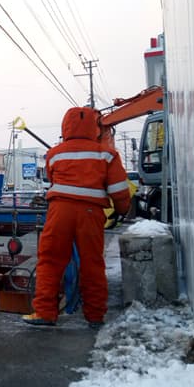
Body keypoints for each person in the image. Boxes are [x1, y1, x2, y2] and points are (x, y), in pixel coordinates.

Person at [22, 107, 131, 329]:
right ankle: (95, 316)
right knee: (92, 263)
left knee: (50, 261)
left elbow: (53, 178)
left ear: (66, 127)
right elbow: (119, 190)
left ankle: (45, 312)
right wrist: (122, 210)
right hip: (90, 213)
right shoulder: (107, 154)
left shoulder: (54, 154)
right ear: (94, 128)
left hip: (59, 211)